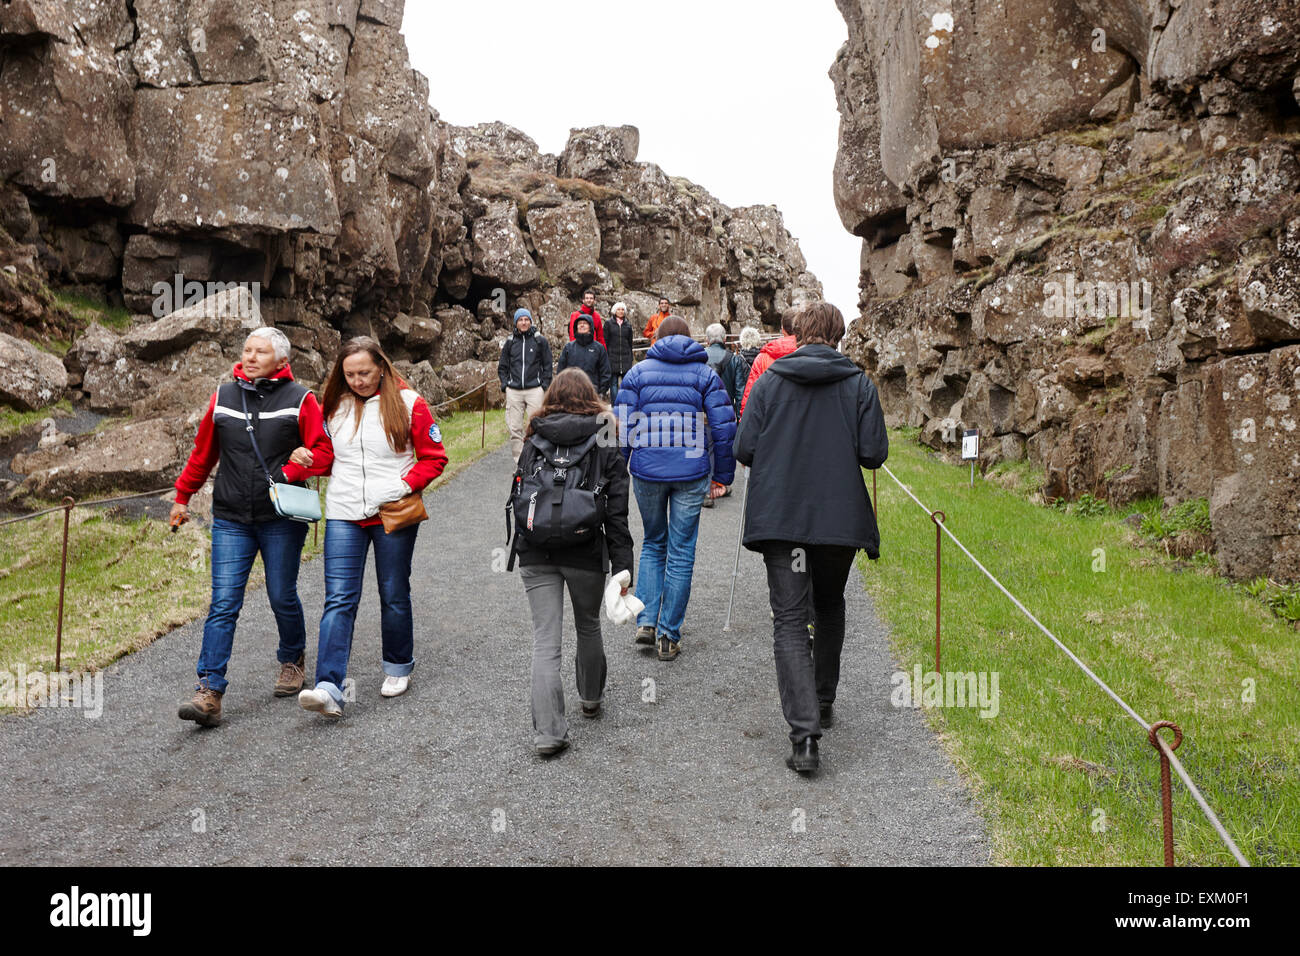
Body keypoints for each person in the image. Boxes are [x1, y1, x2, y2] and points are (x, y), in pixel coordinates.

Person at [732, 302, 889, 774]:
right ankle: (821, 701)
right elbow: (873, 453)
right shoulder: (859, 384)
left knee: (789, 619)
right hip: (837, 521)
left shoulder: (772, 381)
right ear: (838, 335)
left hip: (783, 519)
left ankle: (804, 738)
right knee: (829, 604)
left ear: (799, 333)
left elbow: (744, 449)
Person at [173, 327, 334, 728]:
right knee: (224, 602)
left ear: (281, 360)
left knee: (281, 594)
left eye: (260, 352)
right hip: (230, 518)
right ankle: (209, 690)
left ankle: (292, 659)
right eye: (246, 350)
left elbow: (325, 453)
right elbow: (203, 453)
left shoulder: (301, 399)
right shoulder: (224, 398)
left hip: (281, 518)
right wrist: (182, 497)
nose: (250, 356)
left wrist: (295, 468)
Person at [297, 337, 448, 719]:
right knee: (339, 598)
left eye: (364, 372)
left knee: (393, 591)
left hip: (392, 512)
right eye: (349, 374)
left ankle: (398, 666)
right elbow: (328, 457)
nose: (358, 380)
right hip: (345, 513)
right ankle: (329, 687)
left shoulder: (410, 403)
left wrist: (401, 486)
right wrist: (304, 460)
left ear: (381, 366)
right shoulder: (333, 405)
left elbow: (434, 458)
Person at [510, 368, 634, 756]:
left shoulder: (535, 430)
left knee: (545, 641)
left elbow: (521, 487)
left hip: (536, 547)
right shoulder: (605, 431)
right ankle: (591, 697)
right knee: (588, 623)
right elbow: (616, 511)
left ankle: (548, 733)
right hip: (583, 548)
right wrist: (623, 567)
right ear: (591, 396)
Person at [614, 316, 735, 661]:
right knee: (681, 551)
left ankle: (646, 621)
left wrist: (619, 472)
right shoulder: (704, 374)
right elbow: (725, 429)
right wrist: (722, 476)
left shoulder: (637, 373)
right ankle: (669, 635)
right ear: (688, 340)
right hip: (691, 469)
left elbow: (621, 425)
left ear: (658, 340)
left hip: (647, 470)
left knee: (653, 542)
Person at [499, 307, 553, 465]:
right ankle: (520, 464)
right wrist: (505, 385)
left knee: (537, 426)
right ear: (516, 323)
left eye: (526, 319)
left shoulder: (539, 340)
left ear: (530, 321)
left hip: (534, 390)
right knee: (515, 429)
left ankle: (537, 462)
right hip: (514, 391)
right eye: (520, 320)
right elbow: (503, 366)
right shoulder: (510, 342)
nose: (523, 322)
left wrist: (544, 386)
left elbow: (547, 365)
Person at [740, 307, 800, 414]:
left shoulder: (763, 358)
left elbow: (750, 397)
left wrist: (743, 421)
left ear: (782, 329)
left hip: (771, 420)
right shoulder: (813, 354)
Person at [558, 315, 612, 396]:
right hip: (571, 393)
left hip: (592, 392)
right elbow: (561, 371)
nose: (582, 325)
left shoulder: (599, 348)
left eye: (585, 323)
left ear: (590, 326)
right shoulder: (568, 347)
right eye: (579, 323)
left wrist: (601, 392)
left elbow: (605, 372)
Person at [604, 301, 636, 396]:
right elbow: (605, 341)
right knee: (613, 383)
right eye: (618, 309)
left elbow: (630, 342)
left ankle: (625, 404)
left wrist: (630, 357)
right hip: (612, 358)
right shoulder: (608, 324)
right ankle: (615, 406)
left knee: (626, 384)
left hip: (626, 358)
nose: (621, 311)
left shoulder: (628, 325)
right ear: (614, 311)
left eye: (622, 309)